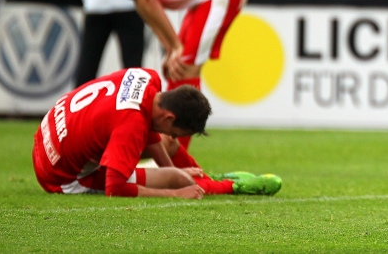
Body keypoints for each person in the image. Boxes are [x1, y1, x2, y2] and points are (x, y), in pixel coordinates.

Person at [61, 0, 250, 148]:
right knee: (178, 70)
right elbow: (143, 3)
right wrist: (170, 47)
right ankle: (171, 156)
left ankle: (174, 158)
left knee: (183, 69)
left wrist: (175, 46)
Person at [33, 68, 281, 197]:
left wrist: (168, 166)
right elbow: (115, 189)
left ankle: (206, 177)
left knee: (169, 150)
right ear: (169, 117)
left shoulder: (146, 78)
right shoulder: (130, 125)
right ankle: (230, 187)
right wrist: (176, 192)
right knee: (177, 181)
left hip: (46, 139)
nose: (174, 136)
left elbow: (151, 129)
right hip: (59, 177)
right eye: (177, 131)